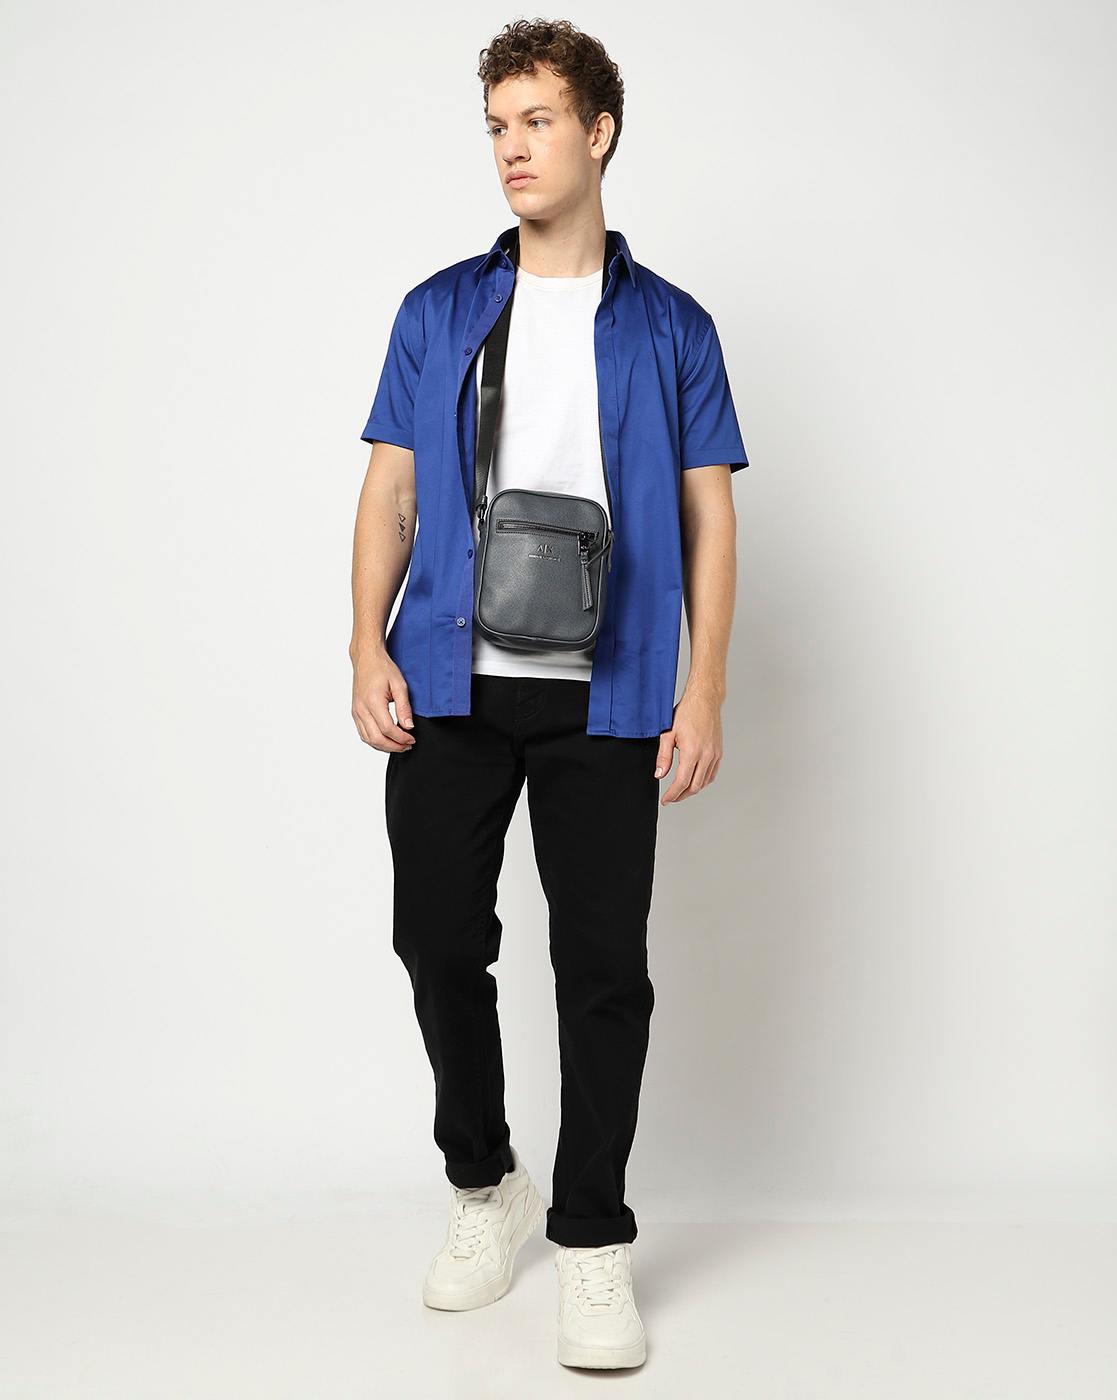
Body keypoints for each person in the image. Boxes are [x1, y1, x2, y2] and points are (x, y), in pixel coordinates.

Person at [349, 17, 749, 1371]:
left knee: (602, 972)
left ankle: (589, 1239)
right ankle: (487, 1185)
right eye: (496, 127)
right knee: (433, 939)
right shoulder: (438, 310)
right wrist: (363, 645)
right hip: (450, 674)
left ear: (599, 132)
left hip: (611, 690)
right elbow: (390, 491)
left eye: (536, 122)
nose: (512, 150)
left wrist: (702, 686)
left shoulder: (673, 326)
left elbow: (707, 518)